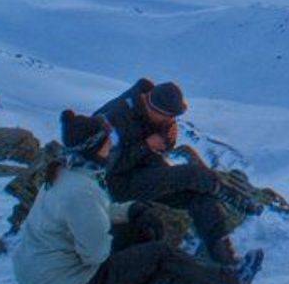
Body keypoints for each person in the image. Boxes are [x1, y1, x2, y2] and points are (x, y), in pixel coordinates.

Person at [12, 109, 263, 284]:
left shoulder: (63, 174)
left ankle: (176, 271)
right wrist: (128, 251)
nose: (112, 144)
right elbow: (95, 255)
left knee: (143, 234)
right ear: (95, 147)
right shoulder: (81, 191)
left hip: (38, 275)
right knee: (160, 255)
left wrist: (130, 211)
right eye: (107, 140)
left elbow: (83, 216)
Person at [93, 78, 252, 265]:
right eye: (168, 117)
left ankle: (223, 257)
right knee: (190, 174)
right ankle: (230, 195)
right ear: (152, 107)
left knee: (200, 196)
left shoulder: (155, 110)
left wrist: (165, 139)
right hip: (116, 184)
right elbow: (104, 165)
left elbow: (165, 143)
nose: (171, 121)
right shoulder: (115, 117)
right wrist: (145, 146)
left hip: (145, 171)